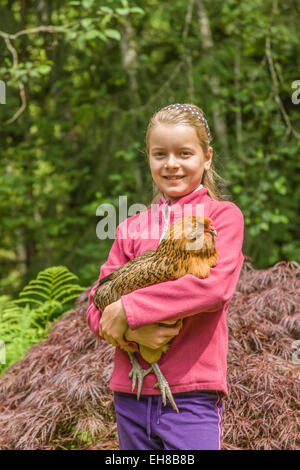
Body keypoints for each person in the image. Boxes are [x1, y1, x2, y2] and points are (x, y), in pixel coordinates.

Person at [86, 103, 245, 450]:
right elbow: (97, 305)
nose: (171, 164)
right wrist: (131, 333)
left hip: (191, 395)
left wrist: (131, 310)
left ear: (206, 157)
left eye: (184, 153)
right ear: (149, 158)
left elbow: (213, 288)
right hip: (130, 393)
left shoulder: (222, 218)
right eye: (160, 154)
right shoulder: (131, 226)